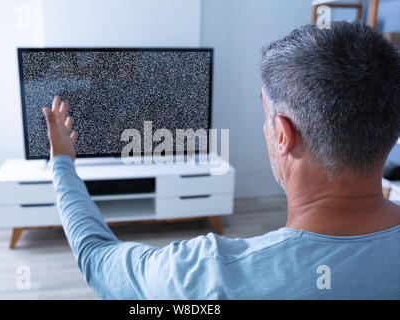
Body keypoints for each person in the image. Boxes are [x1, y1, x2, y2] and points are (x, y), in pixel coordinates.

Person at [43, 21, 400, 299]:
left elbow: (96, 258)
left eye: (265, 116)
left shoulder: (205, 276)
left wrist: (61, 160)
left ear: (282, 134)